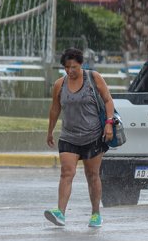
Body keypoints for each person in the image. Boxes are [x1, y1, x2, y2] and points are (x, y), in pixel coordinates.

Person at [45, 47, 114, 228]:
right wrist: (50, 130)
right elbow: (55, 109)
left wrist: (108, 123)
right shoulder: (60, 84)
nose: (70, 71)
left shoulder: (94, 78)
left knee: (92, 175)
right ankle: (60, 213)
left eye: (73, 67)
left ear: (81, 64)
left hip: (92, 136)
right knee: (66, 173)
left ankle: (95, 213)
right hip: (69, 136)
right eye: (66, 67)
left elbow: (108, 100)